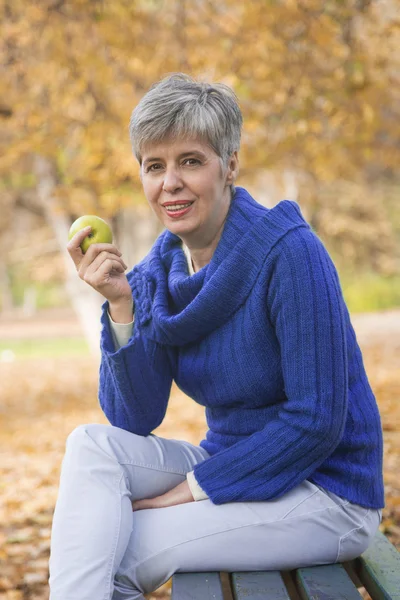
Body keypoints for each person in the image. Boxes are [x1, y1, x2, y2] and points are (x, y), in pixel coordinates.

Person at [49, 73, 384, 600]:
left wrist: (188, 492)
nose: (170, 183)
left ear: (229, 165)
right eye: (153, 166)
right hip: (234, 465)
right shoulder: (157, 274)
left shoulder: (289, 253)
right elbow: (134, 419)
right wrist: (120, 305)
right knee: (90, 447)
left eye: (190, 161)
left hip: (326, 491)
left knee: (117, 552)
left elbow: (316, 421)